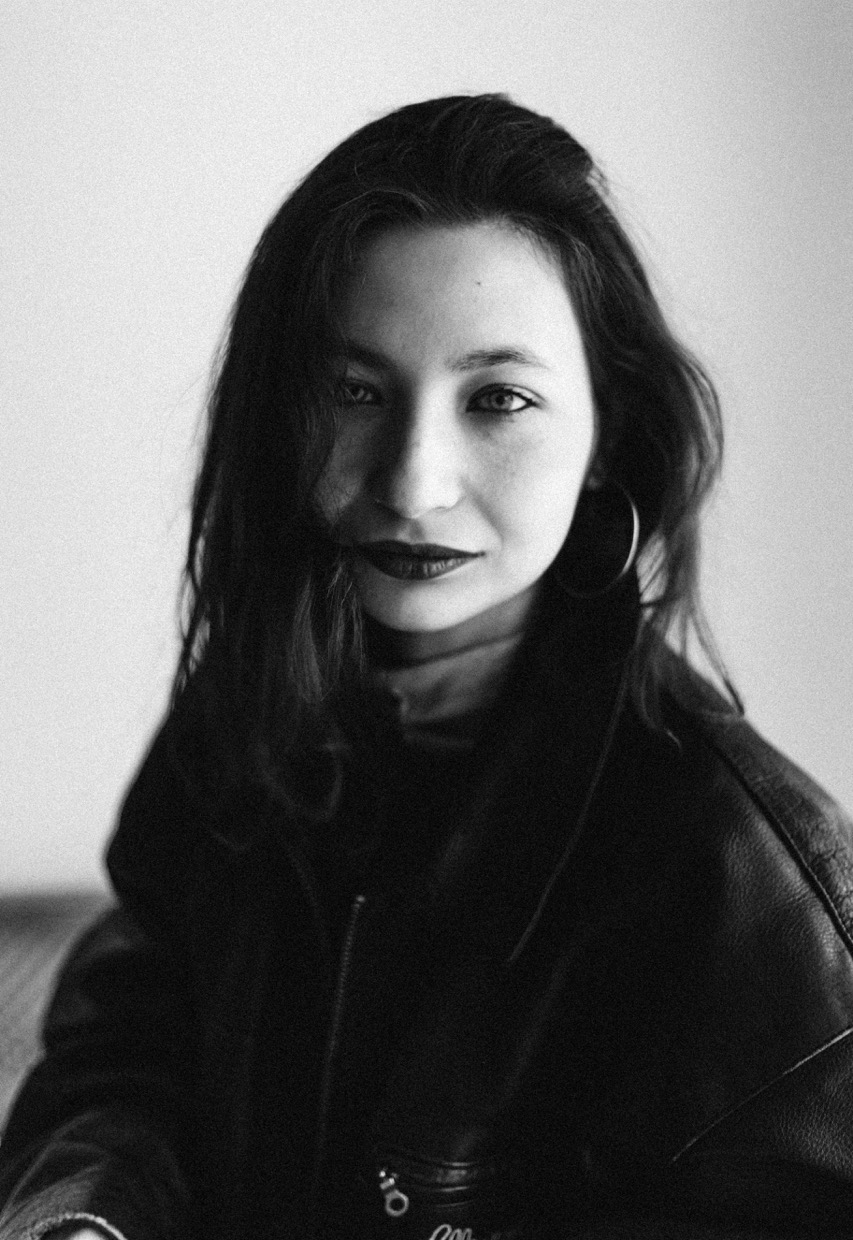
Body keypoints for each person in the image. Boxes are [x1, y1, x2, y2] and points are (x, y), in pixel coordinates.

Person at [1, 94, 852, 1240]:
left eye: (498, 399)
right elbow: (128, 1049)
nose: (412, 480)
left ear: (610, 430)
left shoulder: (742, 874)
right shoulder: (244, 716)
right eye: (355, 390)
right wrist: (83, 1217)